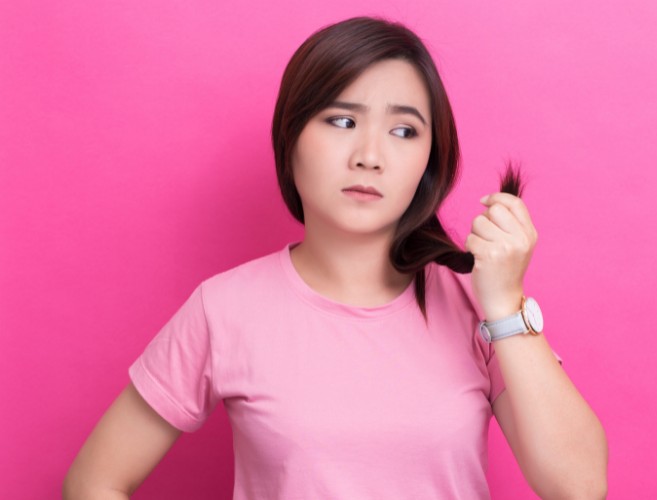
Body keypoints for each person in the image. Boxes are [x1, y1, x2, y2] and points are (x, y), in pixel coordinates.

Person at [63, 16, 608, 500]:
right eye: (342, 121)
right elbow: (94, 481)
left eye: (403, 131)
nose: (369, 156)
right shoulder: (224, 308)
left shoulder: (478, 307)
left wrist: (505, 304)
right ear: (291, 136)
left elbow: (579, 487)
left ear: (428, 161)